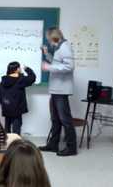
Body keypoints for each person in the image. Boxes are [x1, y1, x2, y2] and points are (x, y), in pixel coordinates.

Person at [39, 27, 77, 156]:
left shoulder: (65, 47)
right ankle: (53, 145)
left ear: (53, 37)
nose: (49, 41)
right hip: (56, 89)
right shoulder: (59, 48)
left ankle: (71, 148)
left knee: (65, 120)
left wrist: (48, 67)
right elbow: (57, 63)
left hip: (61, 90)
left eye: (49, 39)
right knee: (55, 119)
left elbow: (69, 66)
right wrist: (46, 54)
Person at [0, 62, 36, 135]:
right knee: (16, 129)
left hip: (6, 108)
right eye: (19, 68)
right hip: (17, 109)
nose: (20, 69)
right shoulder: (20, 80)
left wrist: (4, 103)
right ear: (16, 69)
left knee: (7, 127)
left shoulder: (4, 80)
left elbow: (0, 92)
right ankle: (16, 144)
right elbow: (32, 78)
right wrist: (27, 69)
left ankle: (7, 143)